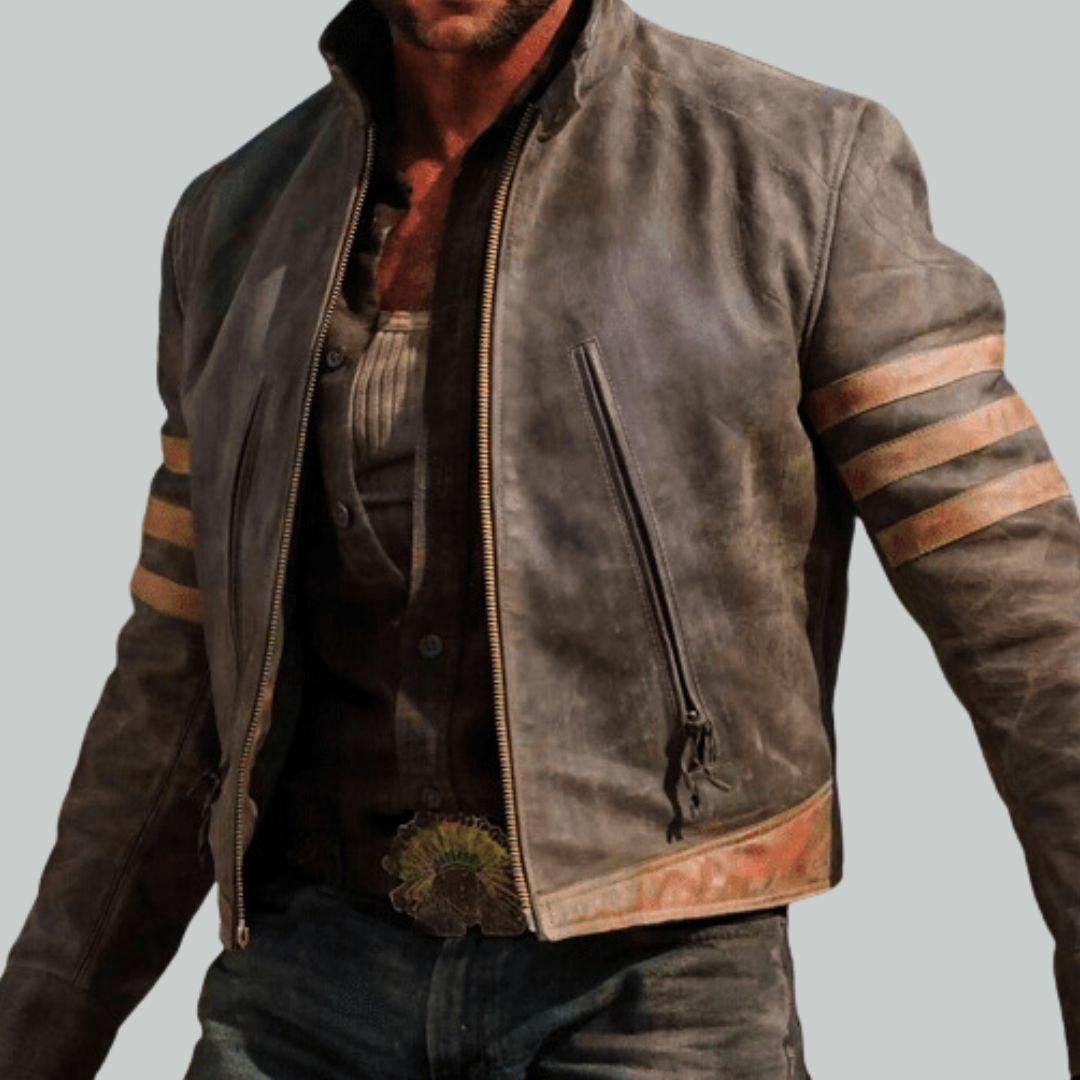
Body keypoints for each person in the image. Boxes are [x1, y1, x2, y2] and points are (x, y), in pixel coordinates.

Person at [1, 0, 1078, 1075]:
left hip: (653, 989)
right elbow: (177, 672)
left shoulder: (801, 168)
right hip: (304, 983)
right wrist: (41, 1025)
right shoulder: (236, 223)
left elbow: (1027, 624)